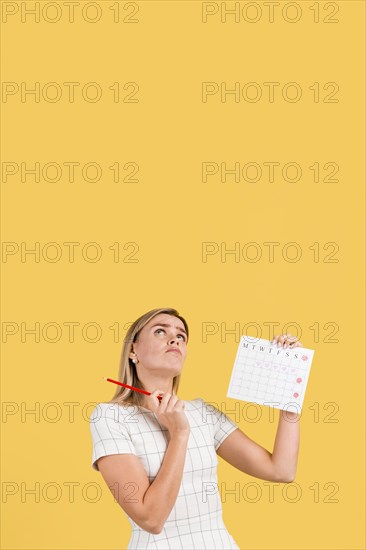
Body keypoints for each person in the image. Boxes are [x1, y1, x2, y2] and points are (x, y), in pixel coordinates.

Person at [89, 307, 302, 550]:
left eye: (181, 336)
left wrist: (290, 400)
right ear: (132, 350)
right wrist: (179, 434)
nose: (174, 339)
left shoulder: (203, 413)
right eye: (160, 331)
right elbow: (151, 519)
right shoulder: (110, 417)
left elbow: (281, 471)